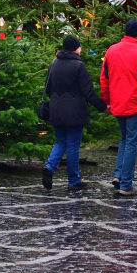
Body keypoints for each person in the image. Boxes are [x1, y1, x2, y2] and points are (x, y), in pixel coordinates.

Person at [98, 18, 137, 196]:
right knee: (132, 143)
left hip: (118, 103)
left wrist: (107, 101)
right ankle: (125, 184)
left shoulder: (111, 51)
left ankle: (118, 174)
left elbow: (104, 79)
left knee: (124, 140)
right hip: (136, 104)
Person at [41, 36, 104, 196]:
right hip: (75, 111)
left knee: (60, 141)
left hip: (56, 109)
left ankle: (49, 167)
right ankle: (74, 181)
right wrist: (103, 107)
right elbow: (88, 92)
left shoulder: (54, 63)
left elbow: (48, 88)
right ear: (75, 48)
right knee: (73, 145)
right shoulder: (79, 65)